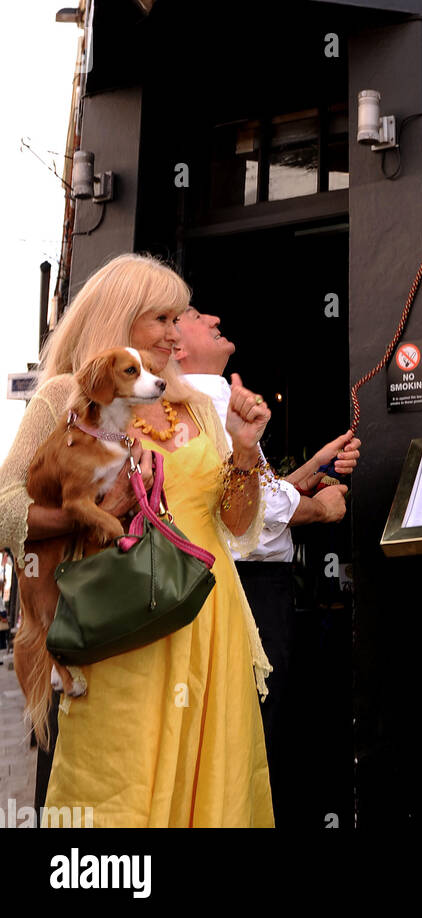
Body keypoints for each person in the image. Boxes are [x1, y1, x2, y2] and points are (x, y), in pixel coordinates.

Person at [0, 253, 274, 827]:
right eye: (163, 319)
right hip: (120, 626)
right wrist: (93, 515)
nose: (177, 336)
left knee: (215, 792)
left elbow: (236, 522)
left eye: (179, 320)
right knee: (117, 789)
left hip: (208, 618)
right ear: (121, 318)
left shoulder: (198, 407)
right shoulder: (64, 398)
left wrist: (245, 449)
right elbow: (6, 510)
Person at [173, 305, 359, 795]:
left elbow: (250, 496)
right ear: (177, 344)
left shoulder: (201, 403)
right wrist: (320, 509)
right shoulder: (207, 401)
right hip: (247, 592)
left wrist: (315, 467)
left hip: (241, 587)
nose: (212, 316)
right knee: (251, 739)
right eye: (191, 314)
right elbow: (251, 514)